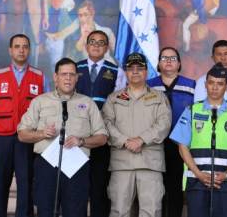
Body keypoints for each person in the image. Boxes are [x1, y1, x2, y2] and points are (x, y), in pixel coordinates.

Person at [17, 57, 108, 217]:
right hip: (46, 166)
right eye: (64, 74)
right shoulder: (40, 101)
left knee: (76, 212)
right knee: (45, 211)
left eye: (72, 74)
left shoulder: (87, 103)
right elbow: (22, 134)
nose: (68, 78)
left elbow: (102, 137)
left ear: (77, 78)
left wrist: (82, 141)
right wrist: (41, 133)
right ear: (55, 77)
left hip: (77, 167)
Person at [170, 64, 227, 217]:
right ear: (205, 85)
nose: (215, 87)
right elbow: (182, 146)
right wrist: (198, 173)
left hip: (226, 183)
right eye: (211, 83)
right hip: (196, 182)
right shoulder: (191, 110)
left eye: (220, 84)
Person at [0, 34, 50, 217]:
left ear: (29, 50)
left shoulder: (40, 77)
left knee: (26, 182)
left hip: (27, 138)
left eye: (25, 46)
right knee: (1, 182)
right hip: (2, 137)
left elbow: (49, 106)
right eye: (17, 46)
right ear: (10, 50)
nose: (21, 50)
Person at [102, 52, 172, 217]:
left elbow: (164, 124)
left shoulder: (159, 97)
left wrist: (142, 139)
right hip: (122, 163)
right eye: (131, 68)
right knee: (119, 211)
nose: (135, 72)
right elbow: (106, 124)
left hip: (150, 163)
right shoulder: (114, 98)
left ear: (146, 72)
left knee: (151, 212)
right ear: (125, 72)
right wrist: (125, 141)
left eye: (139, 68)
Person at [75, 30, 126, 217]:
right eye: (92, 42)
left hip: (102, 137)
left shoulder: (116, 71)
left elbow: (120, 105)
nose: (96, 45)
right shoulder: (74, 68)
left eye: (101, 42)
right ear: (86, 45)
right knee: (77, 185)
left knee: (99, 185)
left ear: (107, 47)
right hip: (77, 136)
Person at [147, 47, 195, 217]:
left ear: (179, 63)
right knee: (154, 188)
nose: (168, 61)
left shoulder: (191, 85)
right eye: (164, 58)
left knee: (175, 188)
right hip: (153, 144)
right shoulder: (149, 85)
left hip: (179, 145)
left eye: (173, 58)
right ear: (159, 63)